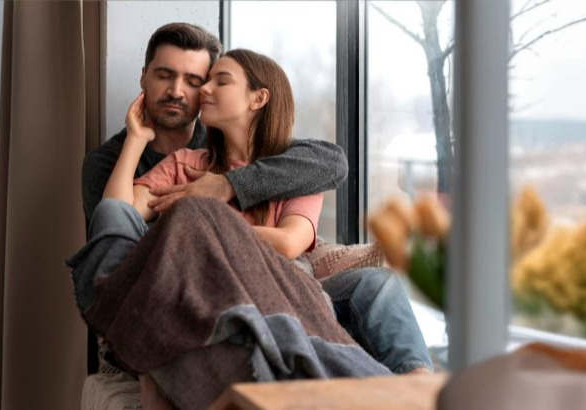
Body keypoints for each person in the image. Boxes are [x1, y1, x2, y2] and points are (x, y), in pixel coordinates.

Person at [79, 22, 432, 378]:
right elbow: (116, 216)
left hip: (284, 282)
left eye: (198, 81)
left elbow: (307, 214)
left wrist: (225, 190)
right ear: (144, 78)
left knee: (376, 285)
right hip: (188, 287)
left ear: (258, 98)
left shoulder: (288, 167)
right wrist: (137, 140)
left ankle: (417, 387)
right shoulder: (178, 163)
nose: (184, 91)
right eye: (165, 75)